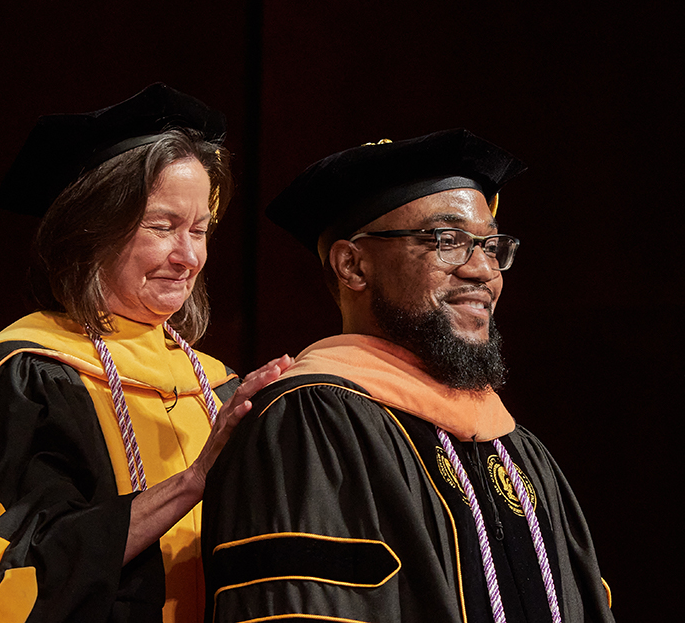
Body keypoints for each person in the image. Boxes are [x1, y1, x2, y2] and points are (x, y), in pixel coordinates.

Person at [0, 83, 291, 623]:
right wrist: (189, 485)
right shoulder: (26, 375)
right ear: (89, 233)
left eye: (199, 230)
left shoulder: (216, 389)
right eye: (163, 227)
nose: (189, 257)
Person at [201, 130, 615, 623]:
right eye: (449, 241)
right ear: (353, 265)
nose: (483, 270)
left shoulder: (514, 446)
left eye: (490, 245)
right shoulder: (310, 424)